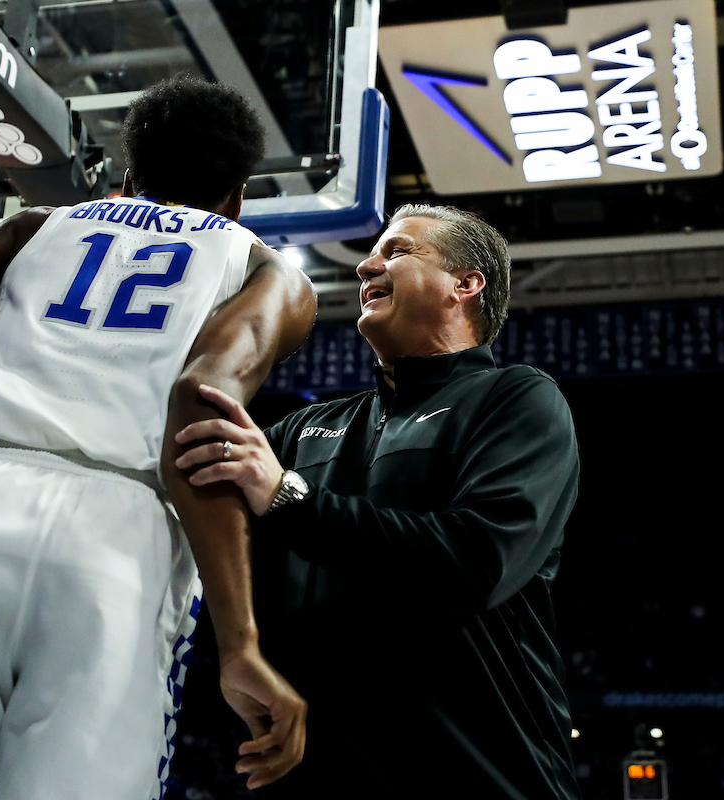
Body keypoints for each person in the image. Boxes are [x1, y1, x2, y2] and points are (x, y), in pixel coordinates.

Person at [0, 76, 315, 800]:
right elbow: (200, 402)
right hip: (120, 533)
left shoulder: (44, 226)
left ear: (130, 179)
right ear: (237, 197)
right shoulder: (261, 268)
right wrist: (241, 642)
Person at [175, 204, 582, 799]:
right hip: (317, 776)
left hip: (484, 776)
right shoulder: (303, 430)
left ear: (465, 286)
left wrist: (288, 497)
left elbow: (475, 562)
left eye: (397, 251)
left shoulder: (516, 399)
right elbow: (215, 545)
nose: (367, 265)